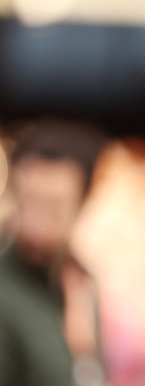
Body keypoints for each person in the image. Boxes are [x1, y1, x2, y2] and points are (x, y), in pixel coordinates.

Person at [0, 120, 106, 386]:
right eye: (28, 203)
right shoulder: (6, 291)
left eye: (55, 209)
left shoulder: (79, 281)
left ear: (83, 204)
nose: (36, 226)